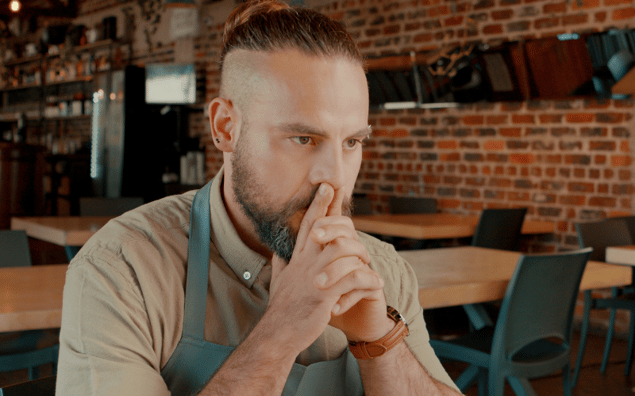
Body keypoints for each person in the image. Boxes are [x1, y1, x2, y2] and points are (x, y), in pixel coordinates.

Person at [56, 1, 462, 395]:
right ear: (225, 128)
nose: (335, 178)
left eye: (352, 142)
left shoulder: (384, 272)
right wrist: (282, 329)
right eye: (303, 138)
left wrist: (380, 342)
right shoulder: (121, 271)